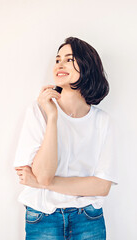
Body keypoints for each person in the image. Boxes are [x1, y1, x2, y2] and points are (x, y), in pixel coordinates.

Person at [13, 36, 119, 240]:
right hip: (43, 218)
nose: (60, 64)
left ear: (87, 66)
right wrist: (52, 118)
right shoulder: (39, 112)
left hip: (88, 218)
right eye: (57, 59)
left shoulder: (102, 121)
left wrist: (44, 184)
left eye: (69, 59)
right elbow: (43, 175)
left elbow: (102, 186)